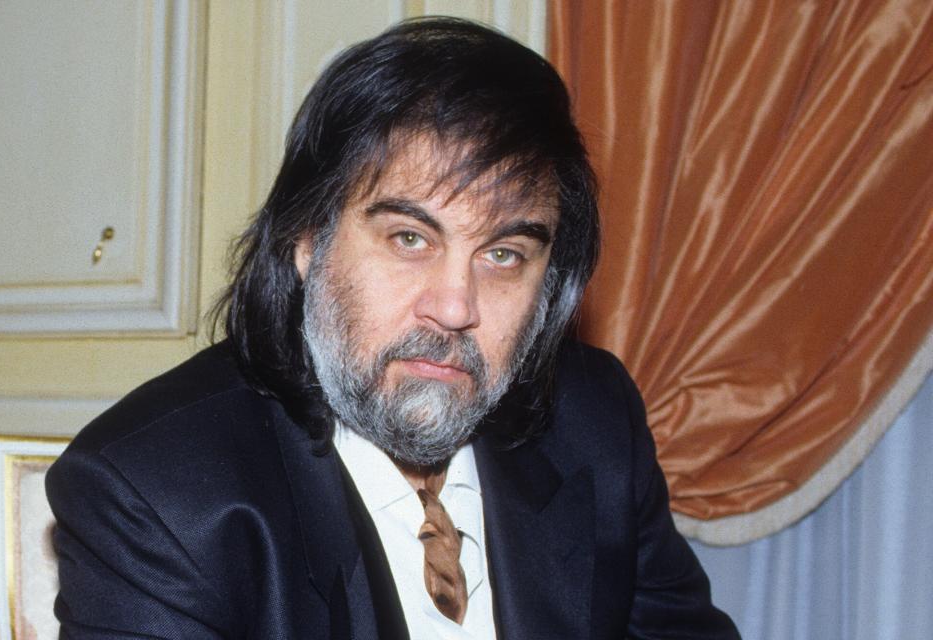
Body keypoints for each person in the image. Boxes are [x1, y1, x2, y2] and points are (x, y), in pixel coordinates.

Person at [46, 17, 739, 640]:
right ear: (308, 236)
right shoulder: (156, 493)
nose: (455, 305)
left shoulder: (593, 420)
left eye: (503, 255)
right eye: (410, 238)